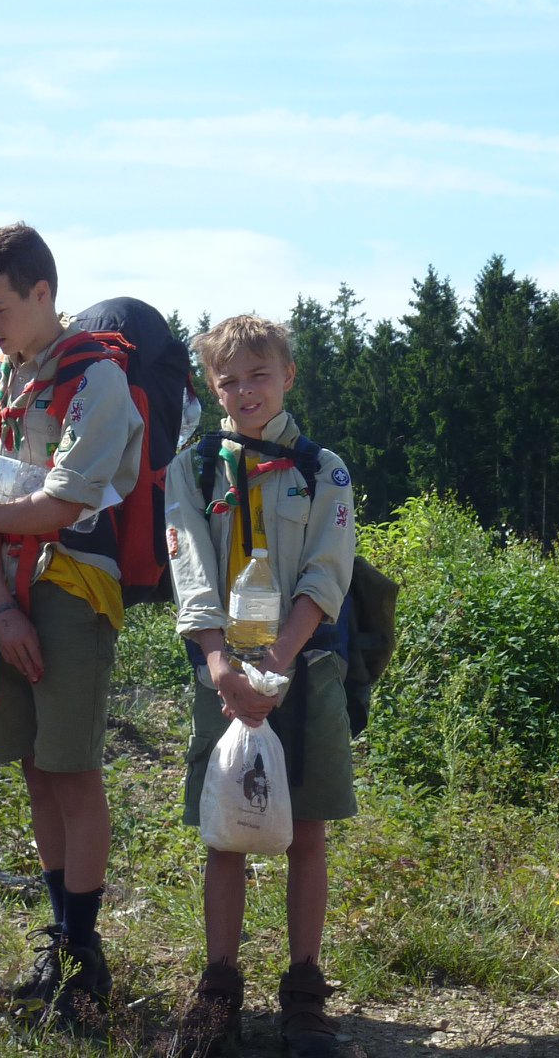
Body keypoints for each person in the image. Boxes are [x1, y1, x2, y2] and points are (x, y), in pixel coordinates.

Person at [0, 222, 144, 1029]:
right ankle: (59, 941)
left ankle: (85, 956)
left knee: (71, 769)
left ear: (42, 294)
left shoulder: (97, 382)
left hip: (71, 584)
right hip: (8, 594)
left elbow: (64, 504)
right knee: (33, 768)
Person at [165, 315, 358, 1058]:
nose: (245, 391)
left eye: (259, 376)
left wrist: (276, 662)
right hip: (222, 679)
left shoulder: (324, 469)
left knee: (306, 832)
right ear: (212, 386)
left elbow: (324, 572)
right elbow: (189, 567)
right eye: (229, 379)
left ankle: (304, 995)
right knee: (226, 835)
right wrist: (218, 661)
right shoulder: (197, 466)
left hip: (304, 671)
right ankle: (219, 991)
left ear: (288, 377)